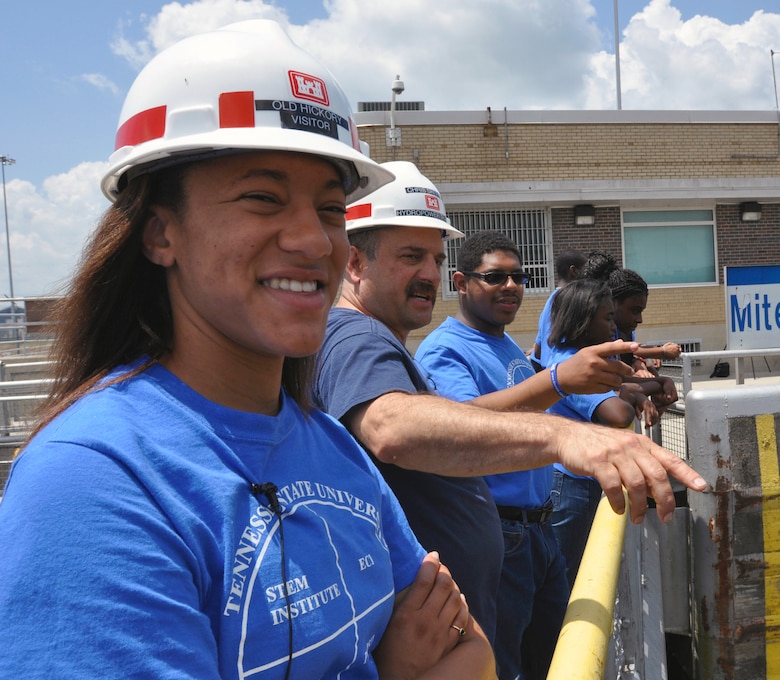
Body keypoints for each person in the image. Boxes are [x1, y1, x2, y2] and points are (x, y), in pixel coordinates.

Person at [0, 21, 496, 679]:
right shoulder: (94, 482)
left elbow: (474, 654)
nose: (316, 242)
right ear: (159, 233)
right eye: (262, 198)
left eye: (328, 210)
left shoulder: (329, 445)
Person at [314, 162, 707, 643]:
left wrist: (638, 383)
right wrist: (565, 433)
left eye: (434, 259)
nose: (427, 275)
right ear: (354, 263)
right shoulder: (358, 336)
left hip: (506, 559)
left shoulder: (401, 343)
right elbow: (394, 428)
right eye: (411, 256)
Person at [415, 232, 571, 679]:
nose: (511, 286)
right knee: (498, 665)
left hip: (540, 530)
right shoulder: (445, 349)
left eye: (519, 277)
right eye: (495, 277)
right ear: (461, 283)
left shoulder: (503, 344)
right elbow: (462, 424)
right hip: (502, 534)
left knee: (555, 657)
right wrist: (559, 380)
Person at [546, 278, 666, 589]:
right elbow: (618, 413)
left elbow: (619, 389)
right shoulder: (571, 364)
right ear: (584, 321)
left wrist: (639, 390)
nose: (615, 326)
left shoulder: (594, 361)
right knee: (567, 571)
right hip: (570, 485)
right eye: (608, 317)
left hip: (584, 478)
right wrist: (644, 391)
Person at [582, 251, 682, 377]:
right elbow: (619, 383)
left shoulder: (623, 329)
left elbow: (629, 354)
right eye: (635, 311)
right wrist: (662, 352)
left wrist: (640, 361)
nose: (639, 320)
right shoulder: (599, 333)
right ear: (613, 302)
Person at [529, 248, 587, 371]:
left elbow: (538, 349)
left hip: (547, 372)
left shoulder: (550, 301)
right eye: (585, 270)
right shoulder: (569, 303)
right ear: (574, 271)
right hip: (563, 373)